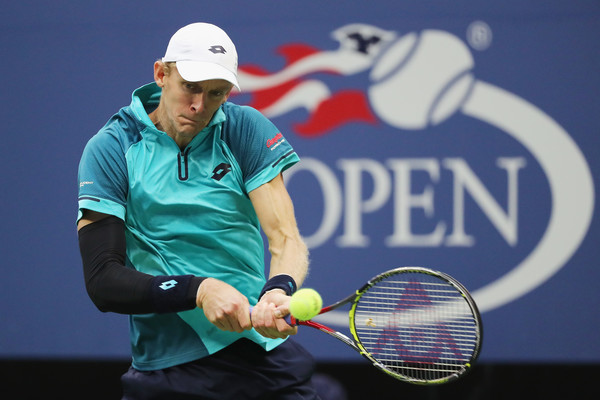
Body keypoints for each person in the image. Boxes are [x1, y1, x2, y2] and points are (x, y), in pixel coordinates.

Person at [77, 22, 320, 399]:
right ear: (161, 74)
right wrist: (199, 290)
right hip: (168, 367)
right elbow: (104, 281)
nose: (200, 106)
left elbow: (285, 237)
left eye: (216, 93)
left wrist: (278, 289)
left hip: (260, 357)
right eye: (190, 87)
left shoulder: (244, 129)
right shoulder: (113, 147)